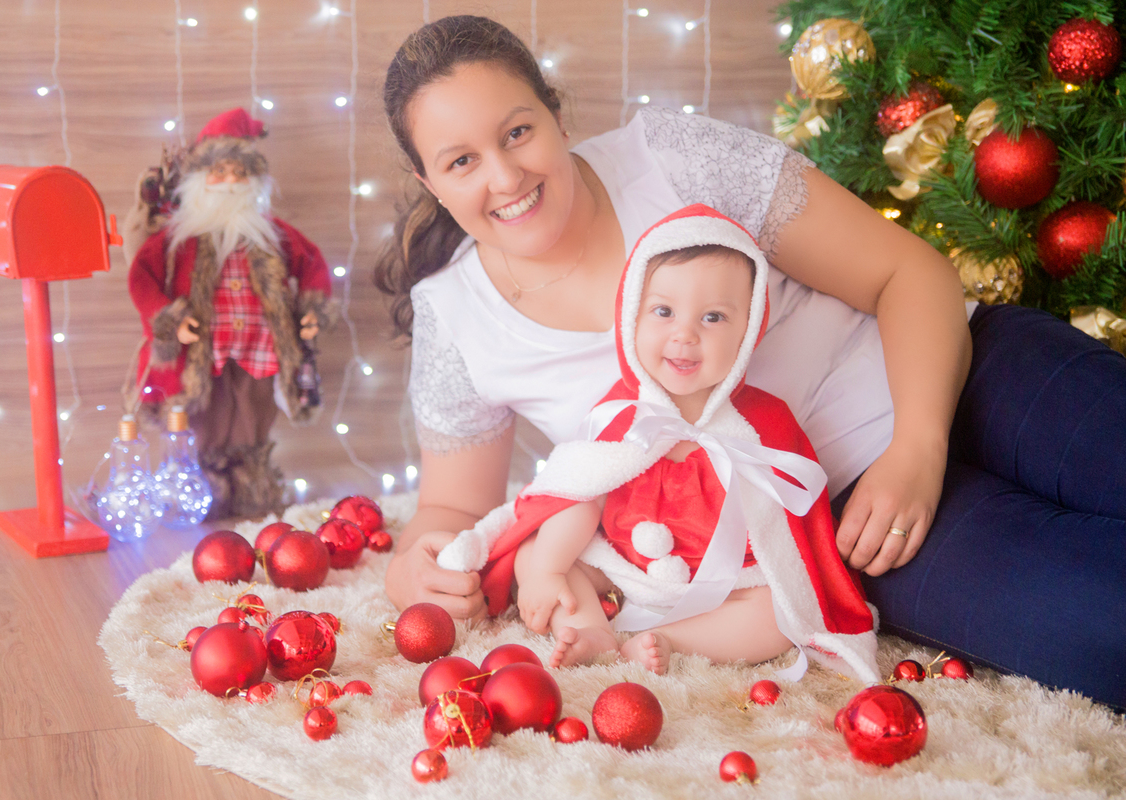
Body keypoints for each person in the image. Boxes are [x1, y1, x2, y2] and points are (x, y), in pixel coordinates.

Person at [375, 16, 1126, 708]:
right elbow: (451, 510)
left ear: (556, 114)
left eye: (517, 132)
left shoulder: (669, 160)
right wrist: (415, 565)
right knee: (1109, 632)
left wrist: (919, 448)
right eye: (461, 160)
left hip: (970, 371)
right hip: (847, 521)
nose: (504, 178)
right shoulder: (455, 317)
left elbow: (910, 275)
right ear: (428, 182)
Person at [435, 205, 880, 682]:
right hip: (625, 568)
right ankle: (589, 629)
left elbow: (794, 535)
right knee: (540, 555)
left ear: (748, 331)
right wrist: (546, 570)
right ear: (632, 316)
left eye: (713, 317)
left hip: (728, 584)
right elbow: (577, 493)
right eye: (663, 311)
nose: (684, 335)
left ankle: (673, 641)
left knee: (780, 612)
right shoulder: (622, 413)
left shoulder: (764, 423)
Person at [129, 108, 333, 519]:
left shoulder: (272, 233)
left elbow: (312, 262)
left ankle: (252, 483)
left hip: (260, 348)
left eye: (240, 173)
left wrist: (312, 306)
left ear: (254, 180)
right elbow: (142, 277)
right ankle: (205, 484)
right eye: (219, 172)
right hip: (204, 349)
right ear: (199, 180)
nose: (230, 182)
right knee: (205, 416)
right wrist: (166, 317)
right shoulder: (179, 238)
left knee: (254, 414)